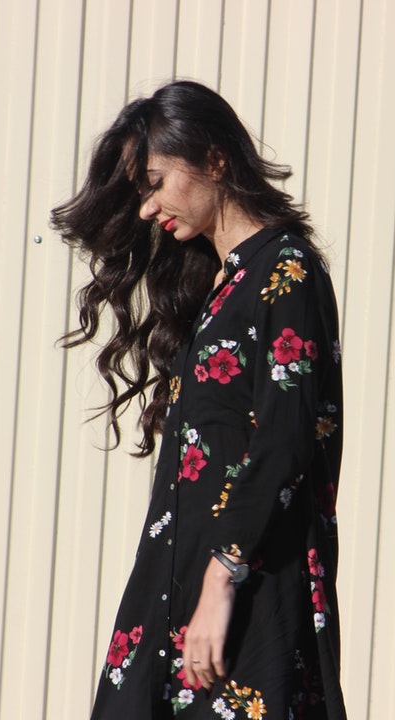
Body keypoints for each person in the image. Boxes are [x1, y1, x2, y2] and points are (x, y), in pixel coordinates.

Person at [51, 80, 346, 720]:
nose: (147, 209)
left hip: (246, 591)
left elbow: (283, 441)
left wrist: (222, 582)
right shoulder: (222, 282)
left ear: (214, 158)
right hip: (181, 582)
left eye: (154, 182)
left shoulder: (286, 271)